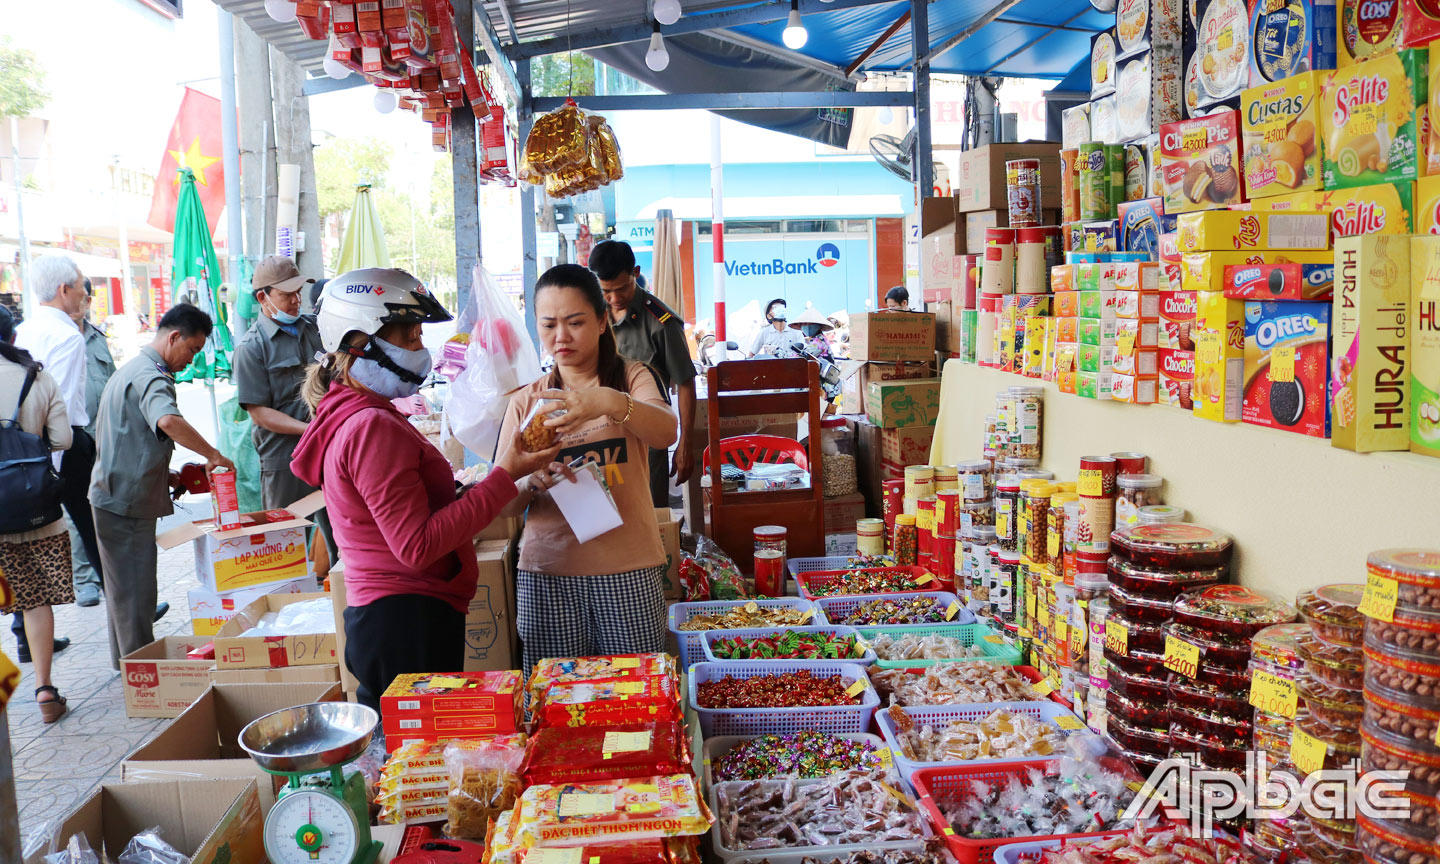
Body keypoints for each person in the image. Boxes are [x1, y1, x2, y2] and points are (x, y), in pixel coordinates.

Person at [290, 268, 562, 711]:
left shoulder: (364, 414)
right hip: (404, 618)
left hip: (400, 614)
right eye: (411, 339)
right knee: (415, 765)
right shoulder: (371, 426)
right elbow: (416, 545)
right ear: (361, 345)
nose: (421, 352)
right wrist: (503, 473)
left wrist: (482, 487)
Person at [497, 264, 678, 675]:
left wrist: (607, 401)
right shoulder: (527, 402)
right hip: (549, 575)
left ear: (601, 321)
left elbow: (666, 431)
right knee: (555, 702)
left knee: (635, 694)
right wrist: (530, 482)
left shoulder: (633, 377)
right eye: (549, 324)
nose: (561, 336)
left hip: (628, 571)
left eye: (575, 322)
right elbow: (502, 501)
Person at [91, 304, 234, 668]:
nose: (191, 361)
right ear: (174, 337)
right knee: (137, 594)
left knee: (123, 593)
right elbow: (168, 420)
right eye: (192, 350)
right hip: (125, 503)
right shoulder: (153, 376)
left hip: (114, 494)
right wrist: (213, 453)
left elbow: (127, 438)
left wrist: (164, 475)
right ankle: (143, 676)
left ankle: (127, 666)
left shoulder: (131, 370)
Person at [233, 256, 338, 567]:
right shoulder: (251, 348)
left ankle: (342, 602)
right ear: (263, 297)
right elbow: (259, 413)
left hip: (326, 450)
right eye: (285, 295)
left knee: (342, 539)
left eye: (297, 293)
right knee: (284, 549)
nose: (295, 301)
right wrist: (309, 430)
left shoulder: (314, 329)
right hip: (284, 460)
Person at [0, 310, 74, 722]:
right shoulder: (37, 377)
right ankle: (44, 689)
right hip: (35, 512)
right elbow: (62, 438)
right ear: (12, 335)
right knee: (35, 600)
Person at [588, 240, 697, 507]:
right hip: (600, 440)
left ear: (636, 273)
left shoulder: (661, 323)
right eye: (606, 291)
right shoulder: (592, 315)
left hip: (646, 443)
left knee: (650, 519)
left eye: (622, 288)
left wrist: (685, 444)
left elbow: (685, 382)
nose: (614, 298)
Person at [66, 278, 113, 607]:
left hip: (104, 436)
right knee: (78, 513)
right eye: (82, 295)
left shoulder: (97, 338)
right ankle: (83, 579)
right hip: (73, 439)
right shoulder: (60, 339)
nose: (87, 301)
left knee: (105, 508)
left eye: (89, 296)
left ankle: (111, 580)